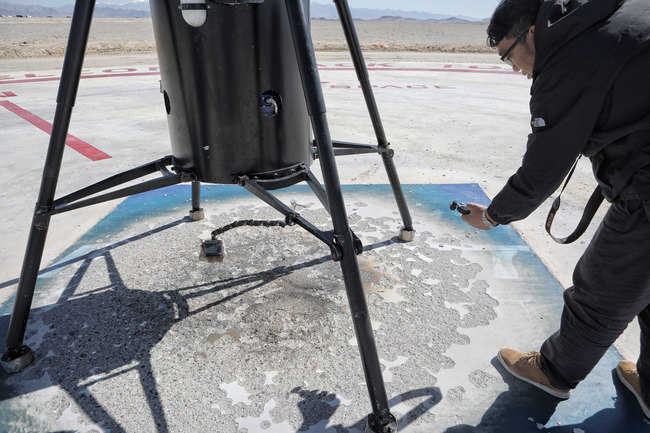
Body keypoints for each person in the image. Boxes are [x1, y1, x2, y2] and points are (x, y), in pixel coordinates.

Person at [459, 0, 650, 417]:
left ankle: (553, 372)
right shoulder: (614, 18)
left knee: (603, 289)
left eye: (509, 56)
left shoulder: (567, 62)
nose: (514, 68)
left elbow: (544, 166)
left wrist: (493, 215)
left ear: (532, 33)